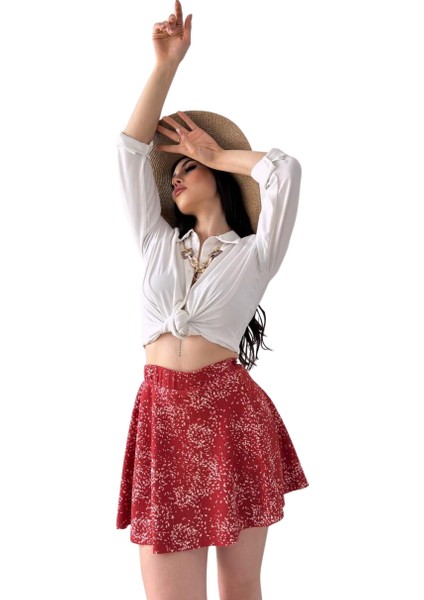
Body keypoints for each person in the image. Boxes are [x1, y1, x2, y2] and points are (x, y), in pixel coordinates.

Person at [115, 2, 308, 599]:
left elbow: (285, 171)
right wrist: (167, 66)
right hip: (163, 418)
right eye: (172, 170)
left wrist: (219, 155)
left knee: (240, 588)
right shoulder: (156, 241)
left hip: (232, 416)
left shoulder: (255, 254)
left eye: (187, 167)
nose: (174, 175)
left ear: (216, 176)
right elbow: (127, 150)